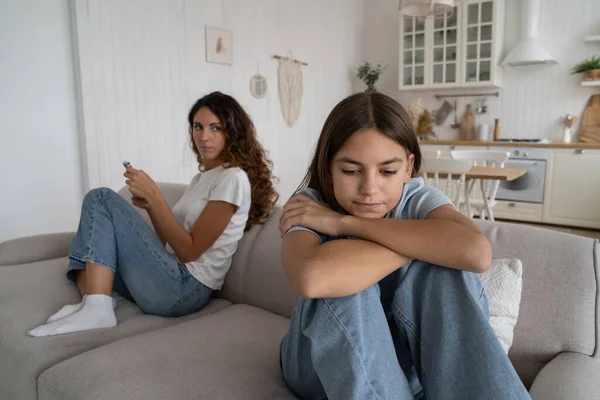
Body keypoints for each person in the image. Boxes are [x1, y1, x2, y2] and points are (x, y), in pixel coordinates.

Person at [278, 92, 530, 400]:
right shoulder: (309, 206)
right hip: (314, 368)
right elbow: (311, 278)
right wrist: (425, 241)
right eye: (350, 171)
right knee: (343, 281)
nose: (370, 189)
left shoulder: (416, 199)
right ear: (328, 168)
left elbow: (477, 254)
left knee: (445, 271)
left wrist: (345, 224)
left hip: (405, 369)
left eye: (387, 171)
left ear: (408, 168)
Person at [28, 91, 278, 337]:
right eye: (197, 127)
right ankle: (94, 301)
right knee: (92, 238)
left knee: (101, 198)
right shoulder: (200, 179)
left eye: (216, 128)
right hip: (168, 274)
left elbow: (190, 251)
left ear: (233, 133)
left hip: (186, 288)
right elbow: (169, 242)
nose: (204, 136)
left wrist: (156, 197)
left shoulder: (232, 178)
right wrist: (150, 205)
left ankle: (97, 307)